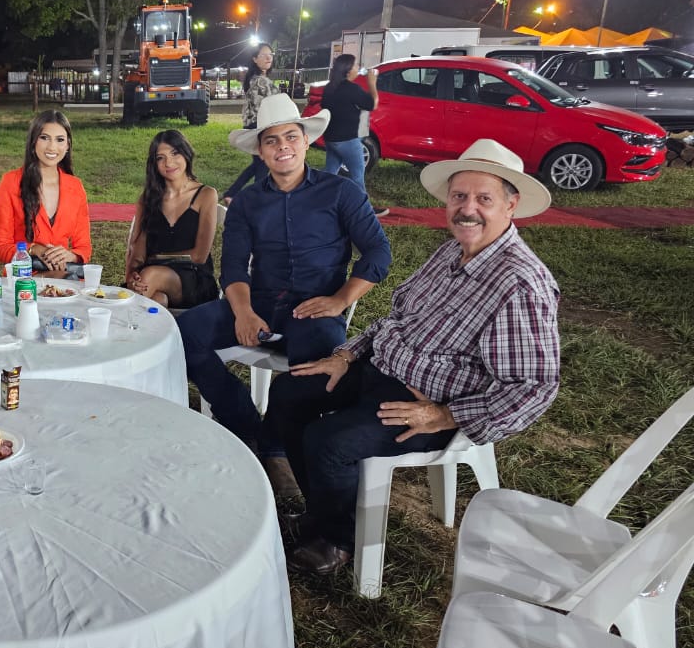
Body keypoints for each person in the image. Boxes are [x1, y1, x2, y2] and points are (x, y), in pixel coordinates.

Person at [268, 139, 560, 575]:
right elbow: (397, 319)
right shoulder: (450, 252)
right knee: (289, 393)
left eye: (484, 199)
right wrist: (346, 355)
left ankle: (339, 540)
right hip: (379, 370)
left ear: (510, 205)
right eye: (459, 196)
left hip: (427, 404)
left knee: (328, 442)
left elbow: (535, 388)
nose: (467, 209)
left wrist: (445, 415)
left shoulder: (520, 284)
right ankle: (321, 511)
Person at [178, 93, 391, 492]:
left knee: (318, 359)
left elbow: (378, 251)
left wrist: (341, 299)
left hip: (315, 306)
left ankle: (276, 446)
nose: (283, 147)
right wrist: (243, 312)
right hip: (259, 301)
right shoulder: (247, 202)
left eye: (291, 137)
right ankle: (246, 425)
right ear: (260, 151)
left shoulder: (341, 192)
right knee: (184, 333)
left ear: (306, 141)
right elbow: (234, 266)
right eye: (272, 140)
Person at [125, 129, 219, 308]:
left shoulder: (206, 194)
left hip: (194, 277)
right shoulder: (148, 198)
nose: (168, 162)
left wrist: (155, 258)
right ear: (154, 164)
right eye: (160, 158)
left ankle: (124, 321)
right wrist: (132, 276)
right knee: (158, 299)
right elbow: (138, 250)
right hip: (151, 278)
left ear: (186, 153)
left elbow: (199, 256)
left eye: (175, 153)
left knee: (150, 276)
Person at [0, 110, 91, 276]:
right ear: (33, 141)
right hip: (23, 277)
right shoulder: (11, 182)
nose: (52, 147)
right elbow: (0, 247)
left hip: (65, 276)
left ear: (67, 145)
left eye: (60, 140)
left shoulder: (75, 187)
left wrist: (70, 255)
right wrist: (33, 249)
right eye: (44, 138)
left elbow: (84, 248)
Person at [320, 54, 386, 216]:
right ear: (348, 70)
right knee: (357, 176)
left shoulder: (329, 87)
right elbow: (373, 104)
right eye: (356, 65)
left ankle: (321, 203)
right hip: (348, 140)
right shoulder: (352, 89)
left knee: (330, 172)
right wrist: (372, 83)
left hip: (331, 139)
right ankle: (364, 209)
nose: (358, 68)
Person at [223, 43, 276, 204]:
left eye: (270, 54)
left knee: (258, 164)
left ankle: (231, 194)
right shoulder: (260, 81)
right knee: (263, 164)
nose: (268, 58)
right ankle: (259, 199)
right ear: (254, 59)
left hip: (256, 125)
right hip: (260, 126)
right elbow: (262, 108)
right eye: (263, 55)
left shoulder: (255, 79)